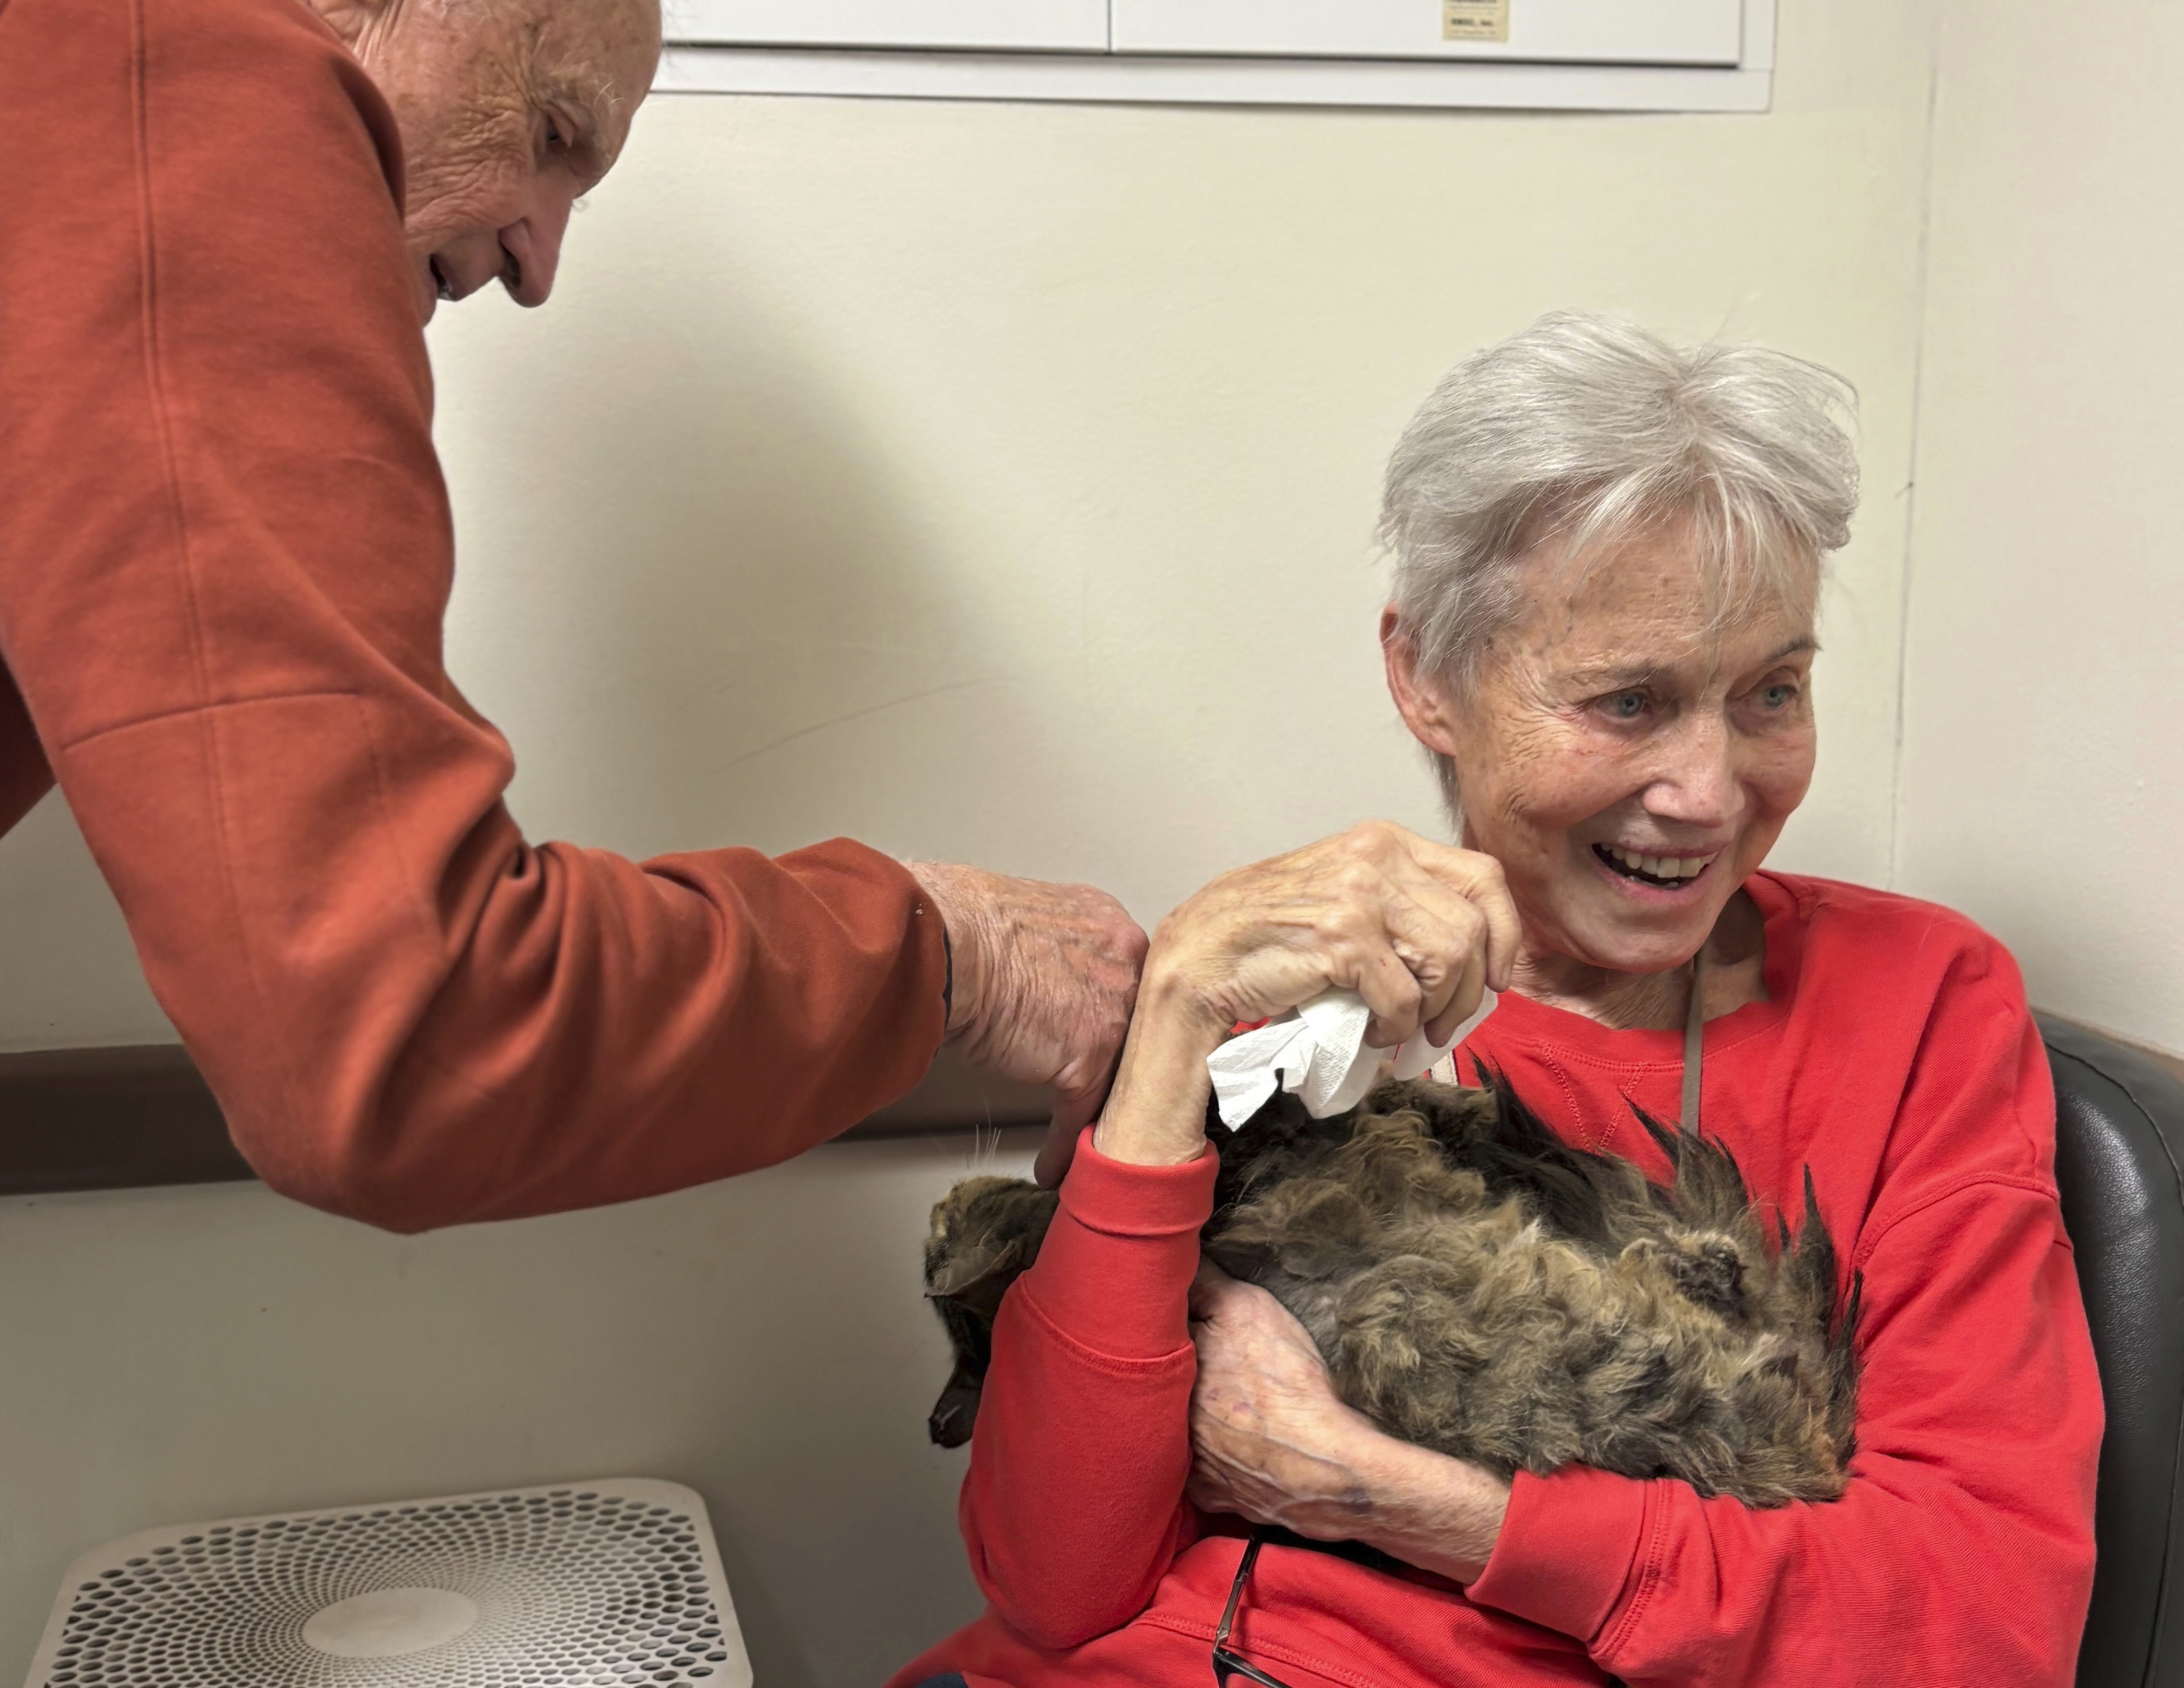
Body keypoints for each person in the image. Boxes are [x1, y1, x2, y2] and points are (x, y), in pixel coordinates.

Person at [890, 314, 2100, 1688]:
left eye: (1772, 691)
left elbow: (1979, 1627)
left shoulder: (1913, 1004)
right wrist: (1167, 1036)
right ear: (1426, 679)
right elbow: (1055, 1578)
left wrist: (1384, 1492)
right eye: (1628, 701)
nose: (1710, 793)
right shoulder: (1281, 994)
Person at [0, 0, 1143, 1231]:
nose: (538, 264)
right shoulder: (151, 55)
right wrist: (949, 952)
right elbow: (406, 1041)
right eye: (552, 130)